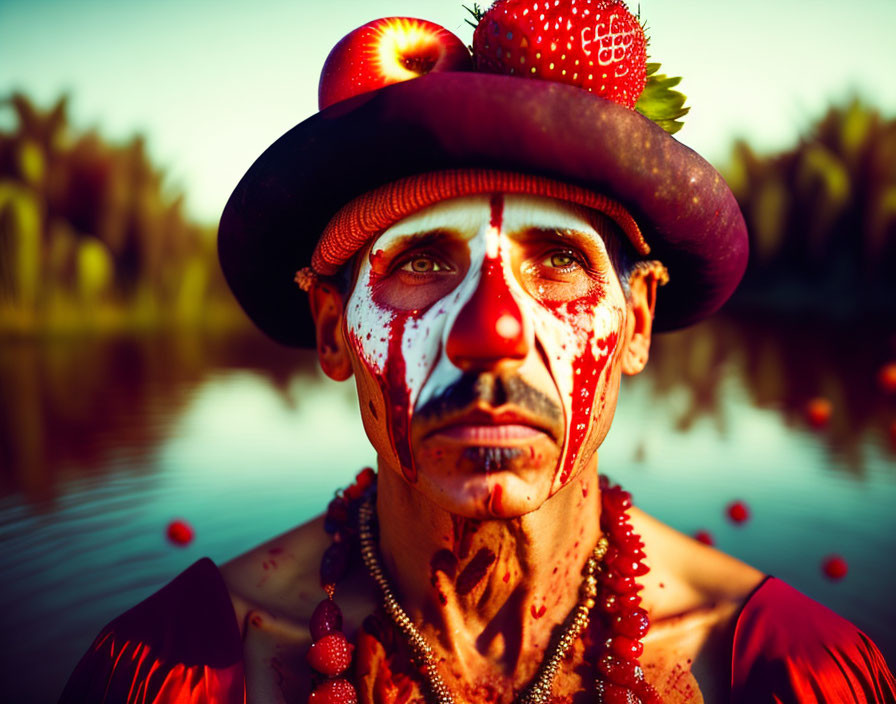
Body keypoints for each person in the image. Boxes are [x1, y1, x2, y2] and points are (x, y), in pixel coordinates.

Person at [60, 2, 895, 703]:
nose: (491, 330)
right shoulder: (181, 668)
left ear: (636, 321)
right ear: (331, 330)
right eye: (422, 263)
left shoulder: (789, 672)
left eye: (560, 261)